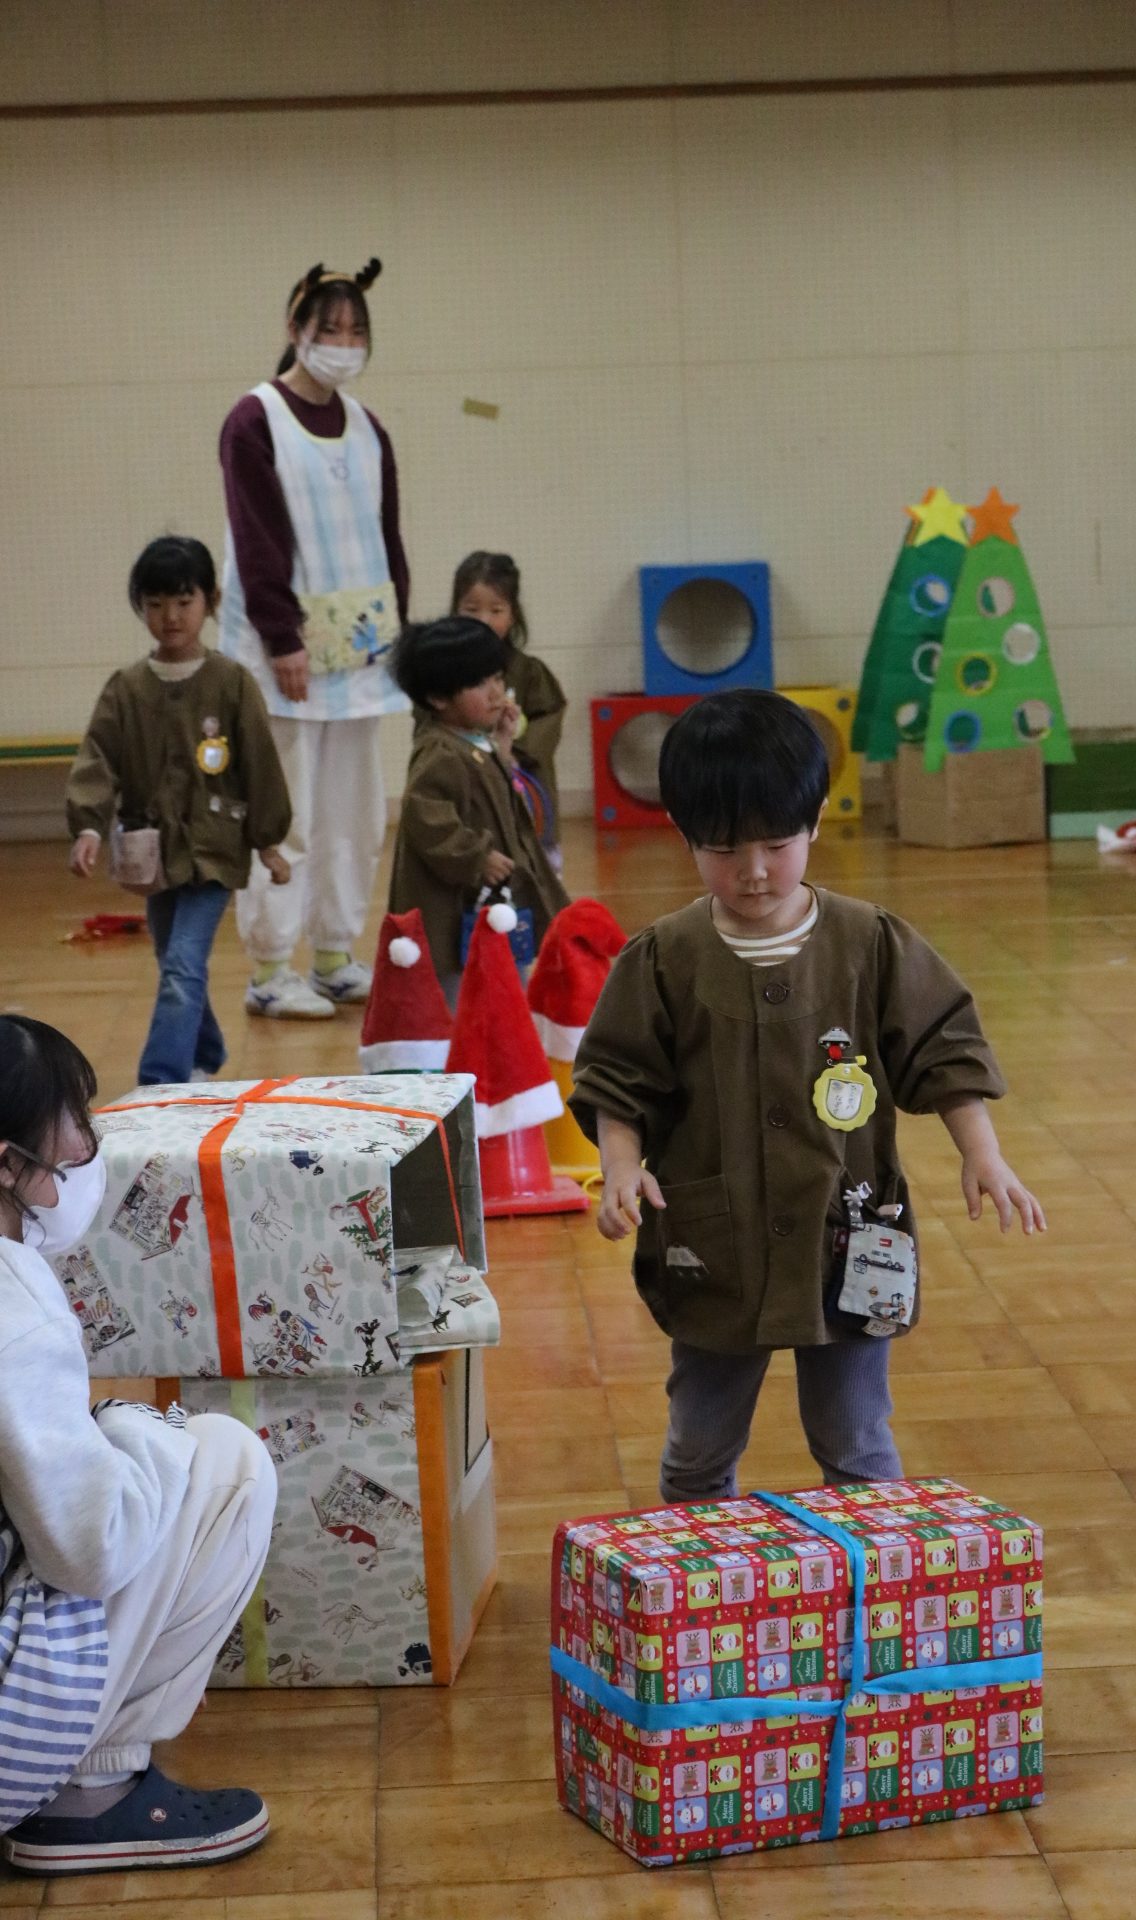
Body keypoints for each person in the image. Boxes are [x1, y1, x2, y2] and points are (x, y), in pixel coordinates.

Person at [570, 690, 1046, 1504]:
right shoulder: (665, 957)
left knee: (858, 1446)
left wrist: (985, 1154)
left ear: (816, 820)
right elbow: (620, 1074)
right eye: (724, 848)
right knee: (698, 1451)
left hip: (851, 1237)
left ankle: (870, 1573)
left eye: (776, 843)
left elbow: (943, 1047)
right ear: (684, 835)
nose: (753, 870)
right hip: (715, 1245)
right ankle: (704, 1576)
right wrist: (620, 1165)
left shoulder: (870, 942)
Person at [0, 1015, 275, 1875]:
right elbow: (94, 1549)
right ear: (8, 1163)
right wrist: (134, 1428)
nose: (88, 1144)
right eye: (73, 1122)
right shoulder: (13, 1309)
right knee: (226, 1463)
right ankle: (92, 1794)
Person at [218, 258, 410, 1020]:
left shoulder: (368, 428)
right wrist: (281, 637)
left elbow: (387, 539)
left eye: (357, 331)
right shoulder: (254, 420)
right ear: (295, 329)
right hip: (286, 657)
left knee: (353, 814)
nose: (344, 344)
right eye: (330, 329)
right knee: (284, 813)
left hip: (361, 655)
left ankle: (333, 955)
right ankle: (271, 969)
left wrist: (400, 637)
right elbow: (256, 535)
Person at [66, 537, 291, 1088]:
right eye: (156, 603)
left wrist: (267, 840)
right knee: (174, 963)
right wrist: (88, 826)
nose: (170, 616)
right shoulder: (127, 688)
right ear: (141, 606)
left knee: (183, 964)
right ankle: (206, 1050)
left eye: (184, 601)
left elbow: (259, 762)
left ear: (210, 600)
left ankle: (161, 1082)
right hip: (152, 854)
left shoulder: (231, 682)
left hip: (215, 851)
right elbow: (98, 757)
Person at [389, 617, 569, 1006]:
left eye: (497, 678)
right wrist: (476, 855)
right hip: (456, 903)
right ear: (438, 698)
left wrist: (503, 745)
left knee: (502, 978)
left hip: (489, 899)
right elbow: (427, 818)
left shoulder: (473, 741)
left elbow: (490, 790)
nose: (495, 692)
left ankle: (506, 1038)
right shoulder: (439, 752)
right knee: (458, 992)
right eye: (478, 684)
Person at [449, 550, 567, 866]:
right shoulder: (443, 673)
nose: (483, 620)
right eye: (471, 610)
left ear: (513, 614)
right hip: (469, 786)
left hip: (524, 788)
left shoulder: (529, 671)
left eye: (496, 610)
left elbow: (549, 717)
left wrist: (517, 752)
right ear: (455, 611)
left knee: (536, 867)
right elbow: (429, 726)